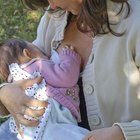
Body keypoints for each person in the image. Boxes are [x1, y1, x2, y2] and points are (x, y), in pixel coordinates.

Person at [0, 0, 140, 139]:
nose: (51, 6)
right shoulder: (56, 17)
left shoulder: (135, 22)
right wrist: (5, 92)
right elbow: (29, 66)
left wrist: (124, 133)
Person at [0, 39, 89, 140]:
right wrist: (69, 57)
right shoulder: (36, 66)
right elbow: (67, 77)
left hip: (29, 131)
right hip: (50, 121)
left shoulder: (15, 81)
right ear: (27, 53)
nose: (47, 56)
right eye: (42, 52)